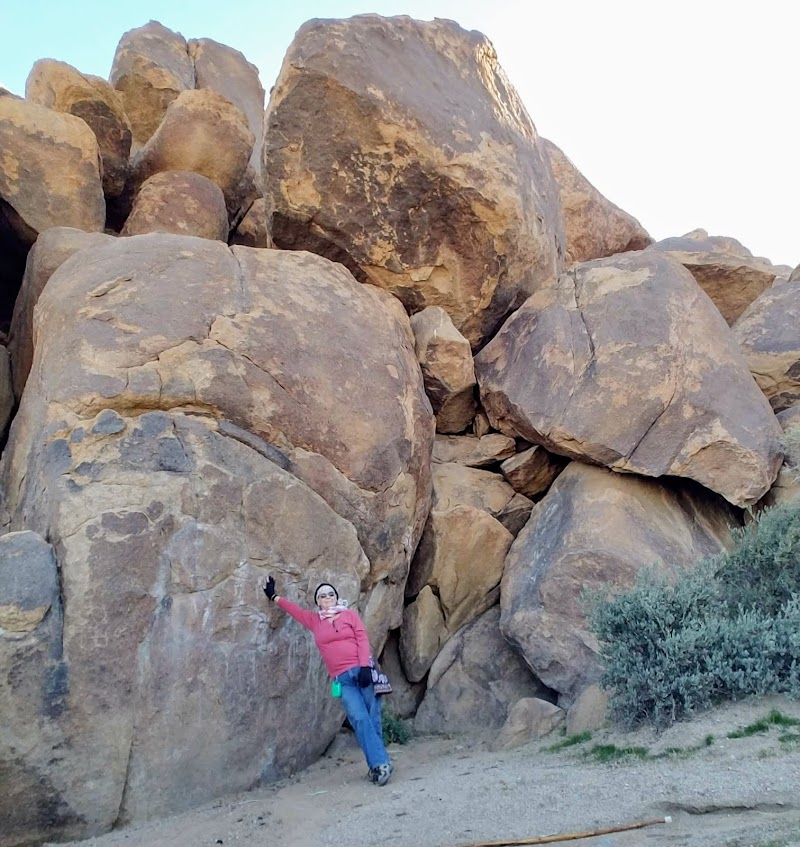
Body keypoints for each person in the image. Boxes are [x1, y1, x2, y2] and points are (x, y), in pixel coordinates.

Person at [263, 575, 394, 786]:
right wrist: (274, 596)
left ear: (336, 597)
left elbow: (361, 637)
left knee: (372, 717)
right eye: (322, 596)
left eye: (330, 594)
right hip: (342, 679)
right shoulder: (315, 621)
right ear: (318, 601)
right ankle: (381, 762)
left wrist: (363, 667)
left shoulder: (349, 615)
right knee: (359, 719)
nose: (327, 598)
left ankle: (378, 765)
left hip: (363, 672)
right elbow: (294, 611)